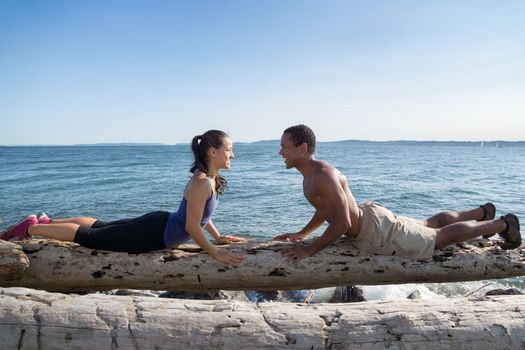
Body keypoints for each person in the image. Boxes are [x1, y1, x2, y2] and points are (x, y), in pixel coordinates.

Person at [273, 124, 521, 262]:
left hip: (375, 231)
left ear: (302, 148)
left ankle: (501, 224)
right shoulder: (310, 177)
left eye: (284, 146)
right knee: (429, 224)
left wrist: (309, 250)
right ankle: (482, 212)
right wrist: (301, 234)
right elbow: (324, 211)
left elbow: (342, 223)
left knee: (437, 238)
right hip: (372, 220)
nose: (280, 152)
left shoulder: (323, 175)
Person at [1, 130, 247, 267]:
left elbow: (202, 217)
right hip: (153, 233)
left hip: (158, 225)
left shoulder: (210, 180)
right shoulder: (202, 182)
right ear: (213, 152)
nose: (232, 155)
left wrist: (218, 237)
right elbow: (192, 227)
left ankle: (47, 221)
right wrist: (215, 252)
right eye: (229, 149)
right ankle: (32, 229)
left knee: (100, 225)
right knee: (91, 236)